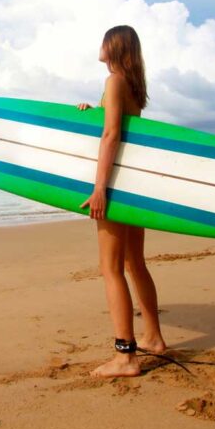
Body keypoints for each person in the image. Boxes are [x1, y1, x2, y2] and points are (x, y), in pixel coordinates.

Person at [77, 25, 167, 378]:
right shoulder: (130, 85)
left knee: (111, 269)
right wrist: (90, 111)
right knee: (135, 264)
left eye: (103, 41)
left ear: (113, 46)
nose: (98, 46)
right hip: (133, 185)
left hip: (114, 185)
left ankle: (126, 356)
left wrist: (100, 189)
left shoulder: (114, 81)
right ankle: (154, 338)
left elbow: (112, 134)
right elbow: (115, 125)